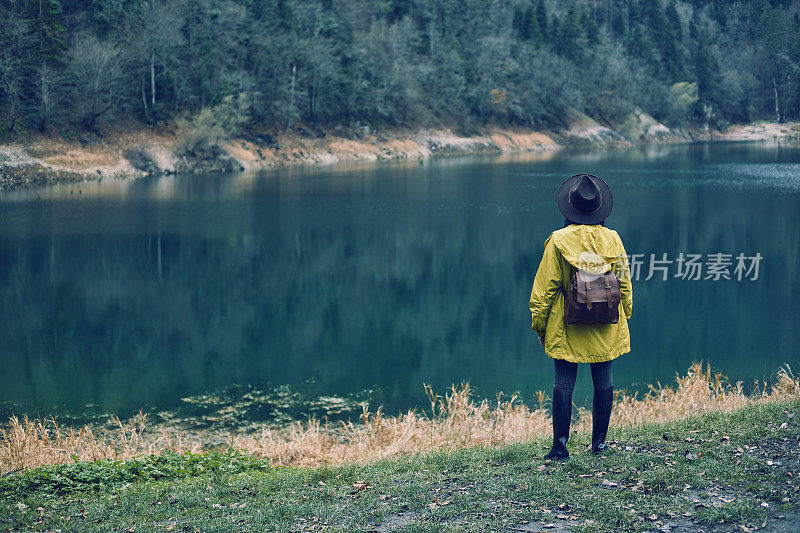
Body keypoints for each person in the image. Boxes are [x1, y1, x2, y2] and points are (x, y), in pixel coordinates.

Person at [528, 173, 633, 460]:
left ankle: (560, 447)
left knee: (563, 383)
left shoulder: (558, 241)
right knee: (604, 381)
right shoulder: (613, 239)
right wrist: (624, 316)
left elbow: (545, 289)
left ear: (569, 208)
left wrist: (539, 325)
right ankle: (598, 444)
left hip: (567, 322)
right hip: (607, 319)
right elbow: (624, 284)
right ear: (600, 209)